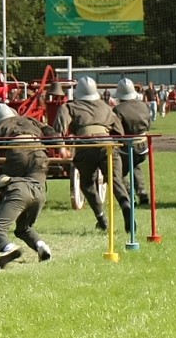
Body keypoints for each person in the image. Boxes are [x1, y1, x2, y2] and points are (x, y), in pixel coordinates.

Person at [53, 77, 133, 233]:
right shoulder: (106, 107)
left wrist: (61, 148)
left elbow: (58, 130)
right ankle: (126, 206)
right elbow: (119, 132)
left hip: (86, 146)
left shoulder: (69, 107)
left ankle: (101, 217)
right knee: (116, 181)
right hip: (108, 145)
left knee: (87, 184)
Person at [0, 102, 61, 185]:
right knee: (37, 188)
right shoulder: (29, 120)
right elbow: (49, 131)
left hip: (18, 154)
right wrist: (61, 147)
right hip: (40, 154)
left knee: (10, 188)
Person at [112, 78, 152, 205]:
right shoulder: (144, 106)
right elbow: (149, 125)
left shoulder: (118, 110)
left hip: (127, 148)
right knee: (135, 165)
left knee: (118, 172)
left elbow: (117, 131)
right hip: (144, 147)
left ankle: (129, 195)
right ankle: (142, 192)